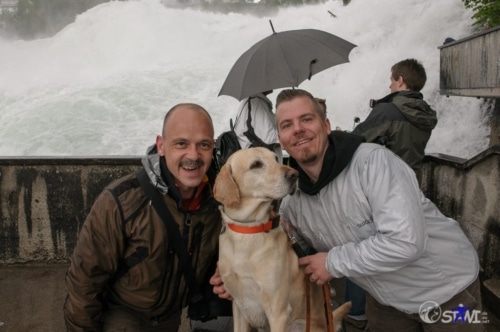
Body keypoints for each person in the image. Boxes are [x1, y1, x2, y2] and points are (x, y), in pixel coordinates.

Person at [274, 89, 481, 331]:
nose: (298, 129)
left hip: (446, 292)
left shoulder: (374, 163)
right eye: (287, 125)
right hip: (386, 303)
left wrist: (332, 262)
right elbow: (277, 251)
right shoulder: (293, 204)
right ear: (281, 139)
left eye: (307, 119)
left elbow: (406, 242)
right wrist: (235, 277)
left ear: (327, 125)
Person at [64, 103, 222, 331]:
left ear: (213, 147)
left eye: (203, 145)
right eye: (181, 144)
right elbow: (84, 284)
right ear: (161, 145)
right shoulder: (121, 201)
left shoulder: (219, 202)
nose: (193, 155)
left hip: (170, 318)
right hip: (122, 315)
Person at [352, 58, 438, 173]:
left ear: (400, 81)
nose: (390, 85)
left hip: (383, 185)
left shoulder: (387, 111)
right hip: (411, 184)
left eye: (392, 80)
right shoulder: (425, 114)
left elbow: (355, 141)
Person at [233, 90, 282, 162]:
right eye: (267, 80)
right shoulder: (257, 103)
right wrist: (289, 133)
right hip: (262, 162)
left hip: (251, 159)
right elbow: (269, 137)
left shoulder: (248, 101)